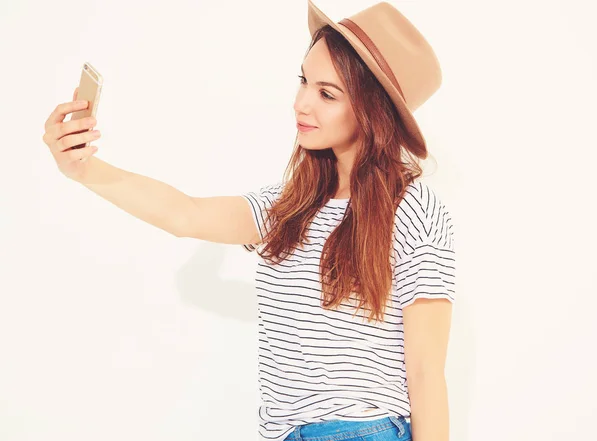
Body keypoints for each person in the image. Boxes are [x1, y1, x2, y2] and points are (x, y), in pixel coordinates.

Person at [41, 1, 456, 440]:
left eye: (327, 94)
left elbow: (427, 372)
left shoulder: (413, 210)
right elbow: (186, 214)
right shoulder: (290, 206)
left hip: (359, 430)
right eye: (304, 81)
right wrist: (84, 169)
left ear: (374, 112)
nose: (301, 103)